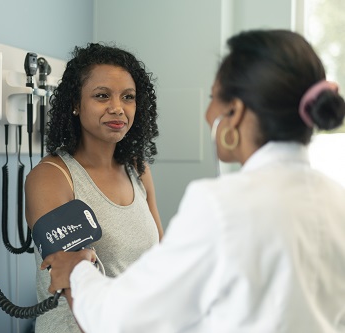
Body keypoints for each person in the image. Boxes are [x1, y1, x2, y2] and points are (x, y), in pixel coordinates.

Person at [41, 29, 345, 333]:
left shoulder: (220, 205)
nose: (208, 112)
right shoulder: (336, 199)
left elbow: (124, 319)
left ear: (235, 112)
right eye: (102, 95)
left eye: (214, 97)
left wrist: (78, 272)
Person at [25, 42, 164, 333]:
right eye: (102, 96)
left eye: (128, 97)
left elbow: (160, 263)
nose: (118, 108)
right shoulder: (52, 178)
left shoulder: (138, 170)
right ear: (76, 103)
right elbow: (72, 276)